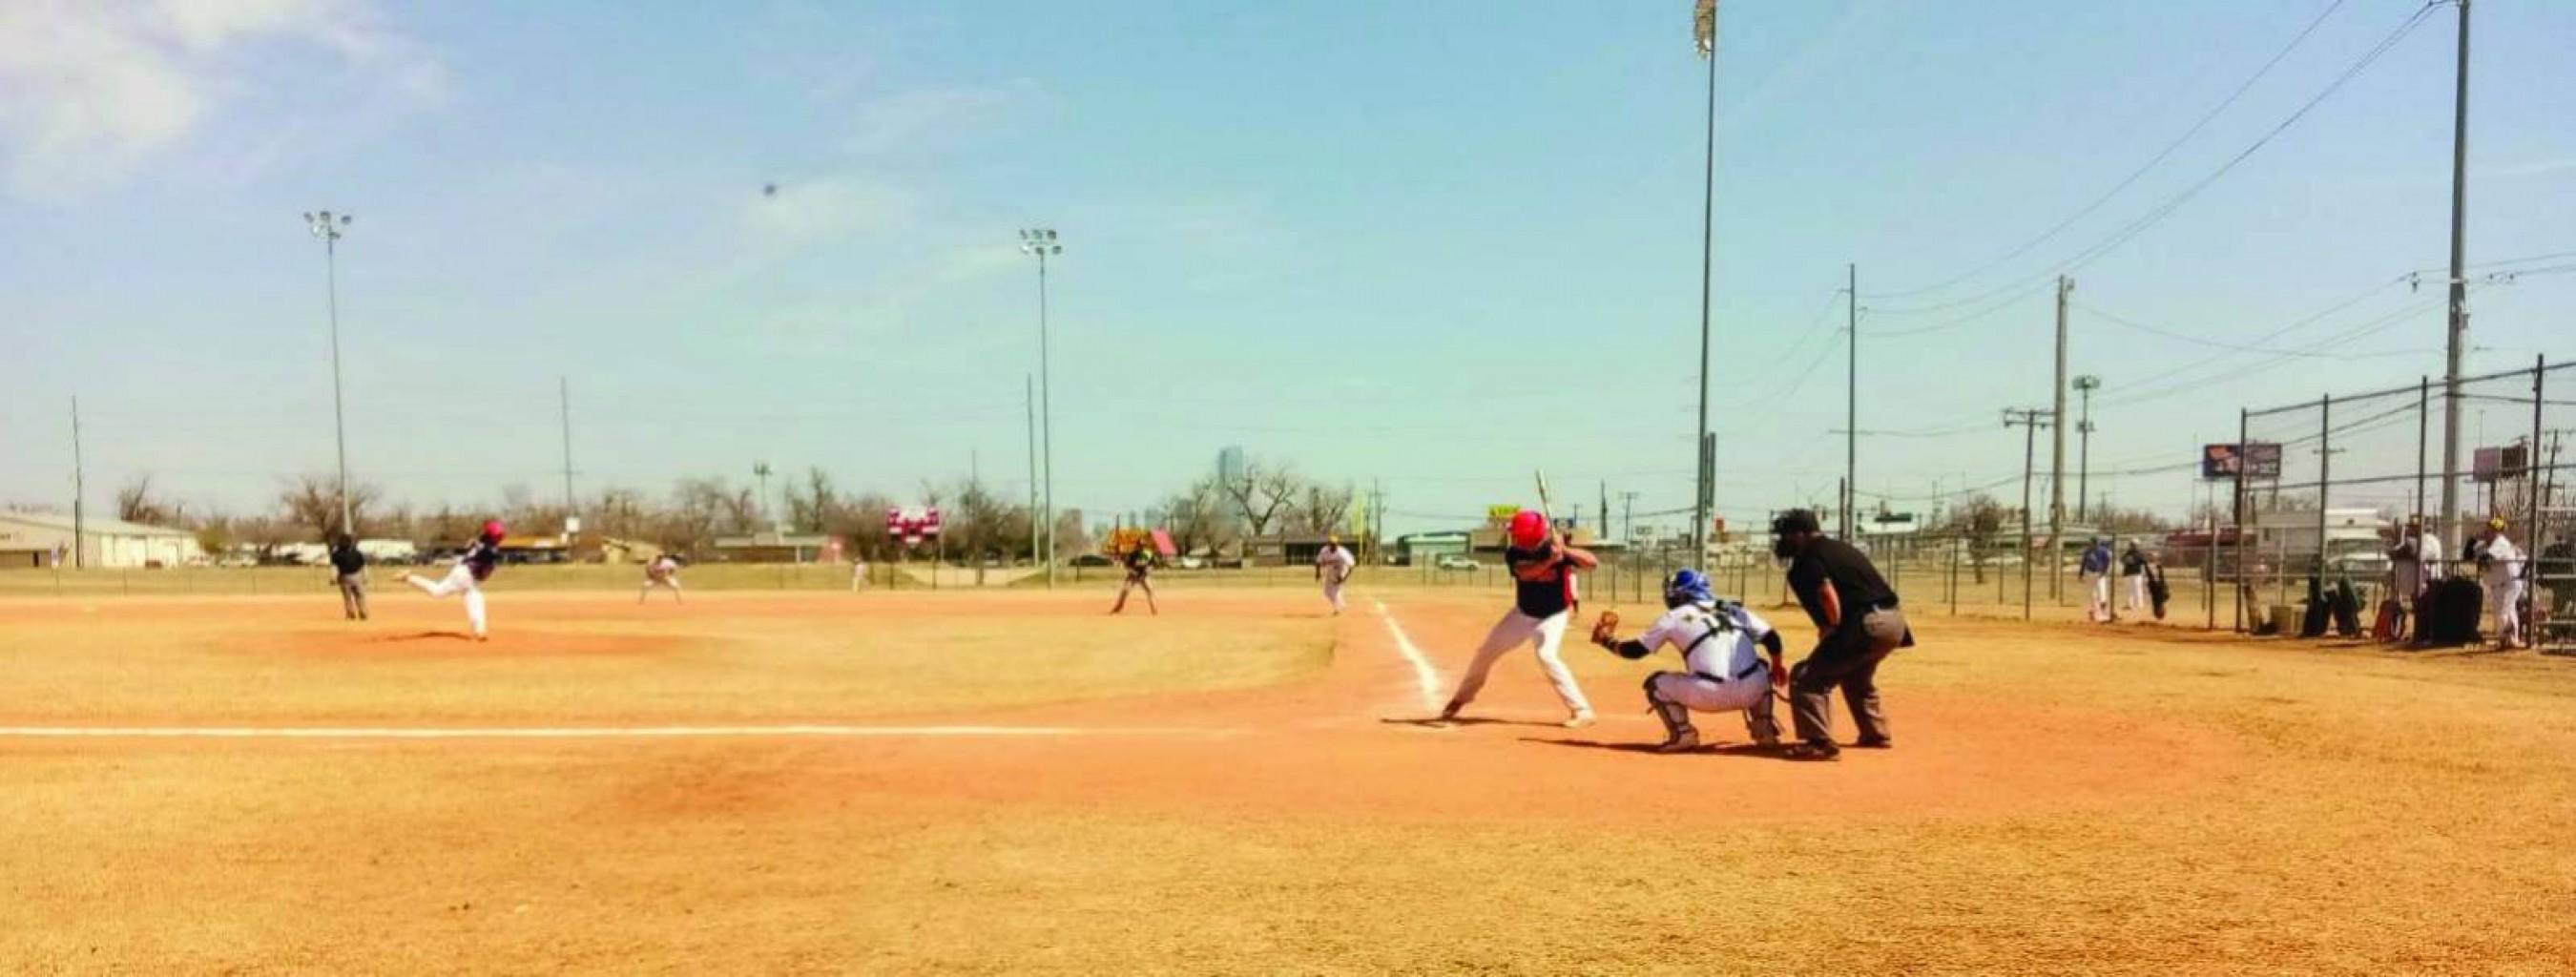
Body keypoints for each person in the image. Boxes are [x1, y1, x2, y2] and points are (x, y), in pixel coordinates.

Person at [1589, 570, 1784, 753]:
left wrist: (1607, 641)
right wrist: (1777, 665)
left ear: (1683, 594)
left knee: (1655, 684)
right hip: (1752, 692)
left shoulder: (1673, 617)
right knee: (1761, 667)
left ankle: (1684, 735)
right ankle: (1765, 731)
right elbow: (1772, 638)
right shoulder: (1732, 609)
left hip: (1708, 696)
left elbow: (1636, 651)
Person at [1438, 509, 1598, 729]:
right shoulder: (1514, 552)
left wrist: (1566, 551)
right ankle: (1460, 699)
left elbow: (1592, 563)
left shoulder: (1555, 548)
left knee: (1546, 655)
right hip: (1522, 615)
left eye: (1519, 533)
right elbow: (1525, 573)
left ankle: (1582, 710)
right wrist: (1550, 561)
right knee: (1485, 653)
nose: (1516, 537)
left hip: (1552, 616)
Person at [1771, 509, 1909, 761]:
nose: (1783, 541)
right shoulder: (1841, 548)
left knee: (1807, 678)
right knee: (1856, 676)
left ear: (1800, 535)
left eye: (1787, 535)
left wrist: (1832, 627)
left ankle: (1818, 743)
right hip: (1894, 622)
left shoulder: (1809, 558)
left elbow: (1826, 591)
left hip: (1866, 624)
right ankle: (1875, 733)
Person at [402, 520, 505, 641]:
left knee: (469, 599)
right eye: (497, 536)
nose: (499, 538)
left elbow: (480, 547)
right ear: (491, 536)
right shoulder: (490, 550)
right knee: (451, 594)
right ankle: (409, 578)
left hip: (466, 575)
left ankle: (480, 631)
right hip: (465, 574)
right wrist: (489, 568)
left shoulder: (482, 541)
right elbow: (487, 567)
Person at [2469, 517, 2528, 651]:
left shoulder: (2500, 543)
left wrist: (2480, 558)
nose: (2489, 532)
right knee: (2506, 611)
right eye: (2489, 529)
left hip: (2509, 583)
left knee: (2503, 612)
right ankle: (2511, 640)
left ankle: (2509, 637)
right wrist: (2473, 540)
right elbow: (2468, 555)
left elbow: (2487, 559)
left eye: (2493, 530)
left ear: (2499, 532)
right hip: (2499, 584)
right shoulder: (2485, 544)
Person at [328, 532, 368, 621]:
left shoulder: (336, 554)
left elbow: (335, 568)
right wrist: (365, 577)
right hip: (357, 576)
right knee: (360, 596)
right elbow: (363, 566)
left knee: (347, 597)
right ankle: (363, 612)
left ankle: (350, 614)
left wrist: (333, 578)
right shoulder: (357, 553)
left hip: (344, 577)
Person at [1111, 543, 1159, 615]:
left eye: (1143, 546)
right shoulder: (1133, 554)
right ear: (1137, 546)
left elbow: (1153, 564)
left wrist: (1149, 569)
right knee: (1125, 591)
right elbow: (1127, 566)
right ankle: (1118, 607)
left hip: (1144, 576)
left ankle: (1154, 610)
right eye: (1140, 546)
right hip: (1133, 575)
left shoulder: (1148, 554)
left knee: (1150, 590)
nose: (1141, 547)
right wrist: (1133, 572)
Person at [1314, 536, 1357, 616]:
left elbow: (1351, 565)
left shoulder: (1342, 553)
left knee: (1336, 590)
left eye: (1335, 544)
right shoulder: (1324, 551)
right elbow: (1318, 562)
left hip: (1342, 569)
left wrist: (1344, 577)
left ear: (1337, 544)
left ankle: (1338, 608)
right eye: (1331, 544)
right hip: (1331, 570)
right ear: (1328, 544)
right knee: (1326, 592)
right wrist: (1317, 573)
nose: (1333, 546)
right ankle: (1341, 605)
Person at [2080, 536, 2114, 623]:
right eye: (2092, 542)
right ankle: (2094, 612)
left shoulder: (2103, 551)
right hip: (2089, 573)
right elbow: (2083, 563)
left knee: (2102, 594)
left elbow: (2107, 561)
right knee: (2092, 594)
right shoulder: (2088, 551)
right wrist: (2081, 574)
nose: (2092, 544)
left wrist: (2104, 571)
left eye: (2094, 542)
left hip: (2099, 574)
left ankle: (2102, 611)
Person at [2120, 540, 2150, 613]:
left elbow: (2144, 561)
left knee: (2137, 589)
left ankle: (2139, 605)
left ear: (2137, 545)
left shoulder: (2139, 553)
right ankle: (2129, 604)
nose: (2132, 546)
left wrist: (2134, 561)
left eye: (2134, 545)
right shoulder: (2127, 553)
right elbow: (2121, 559)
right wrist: (2126, 560)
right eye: (2131, 544)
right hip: (2128, 573)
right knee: (2128, 589)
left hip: (2136, 574)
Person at [2145, 551, 2171, 621]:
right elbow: (2151, 575)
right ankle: (2158, 614)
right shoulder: (2148, 565)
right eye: (2151, 557)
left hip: (2158, 585)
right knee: (2157, 600)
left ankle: (2159, 613)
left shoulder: (2157, 565)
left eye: (2153, 557)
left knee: (2162, 597)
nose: (2151, 558)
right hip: (2154, 585)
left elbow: (2160, 576)